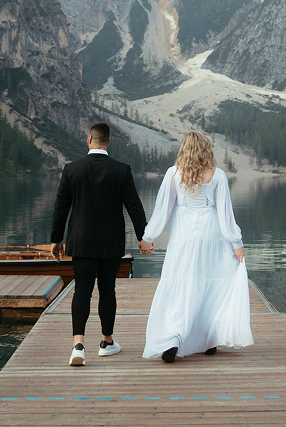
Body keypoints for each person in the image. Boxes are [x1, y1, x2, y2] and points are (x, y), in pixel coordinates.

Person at [140, 131, 253, 362]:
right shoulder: (217, 175)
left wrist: (148, 237)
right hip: (211, 236)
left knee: (182, 283)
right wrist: (236, 242)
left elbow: (163, 209)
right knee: (210, 285)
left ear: (185, 148)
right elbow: (225, 214)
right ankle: (209, 339)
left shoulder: (174, 173)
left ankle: (173, 338)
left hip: (183, 237)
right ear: (205, 148)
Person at [50, 121, 153, 366]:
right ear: (108, 141)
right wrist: (144, 237)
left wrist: (56, 239)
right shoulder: (121, 170)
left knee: (82, 289)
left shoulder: (71, 169)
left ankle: (78, 345)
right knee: (107, 290)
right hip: (110, 242)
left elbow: (61, 208)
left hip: (81, 241)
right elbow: (134, 206)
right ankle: (106, 342)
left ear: (89, 140)